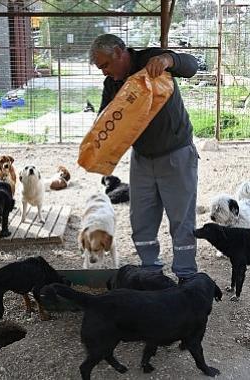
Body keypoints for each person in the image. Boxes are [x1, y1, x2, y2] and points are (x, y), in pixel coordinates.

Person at [89, 34, 200, 281]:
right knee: (141, 219)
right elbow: (104, 121)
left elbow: (192, 66)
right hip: (142, 159)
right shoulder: (113, 84)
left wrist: (169, 59)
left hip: (176, 155)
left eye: (105, 65)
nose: (104, 72)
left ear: (119, 52)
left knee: (181, 220)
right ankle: (151, 271)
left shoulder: (151, 59)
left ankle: (186, 276)